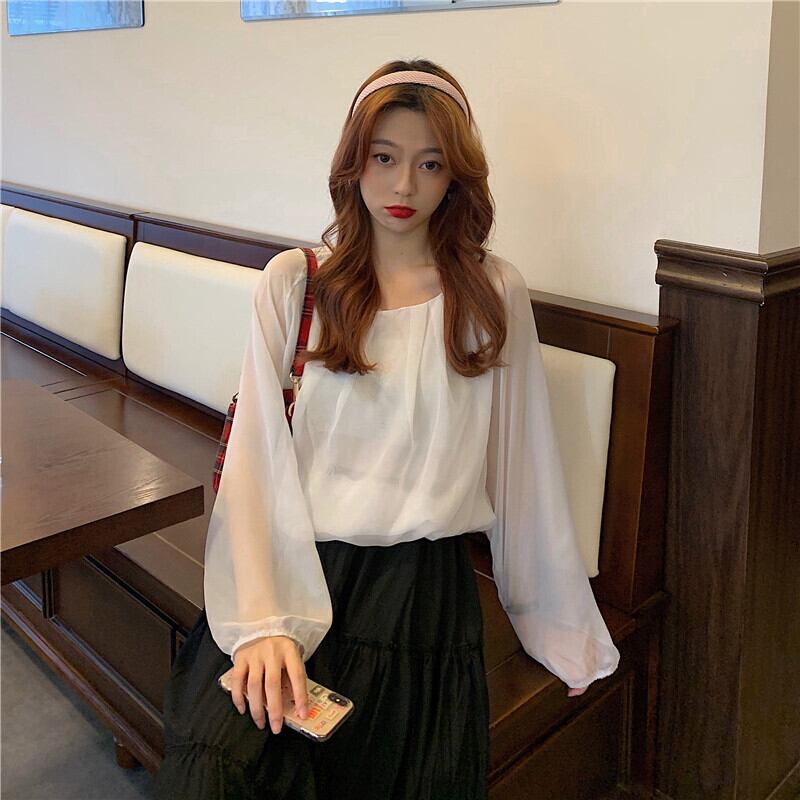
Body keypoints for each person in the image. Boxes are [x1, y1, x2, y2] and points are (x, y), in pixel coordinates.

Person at [154, 58, 620, 800]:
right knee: (218, 770)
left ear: (456, 176)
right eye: (384, 157)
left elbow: (523, 469)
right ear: (354, 162)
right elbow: (253, 465)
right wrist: (263, 623)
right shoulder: (296, 282)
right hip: (294, 561)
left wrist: (560, 626)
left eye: (430, 164)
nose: (404, 186)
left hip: (419, 594)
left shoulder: (492, 292)